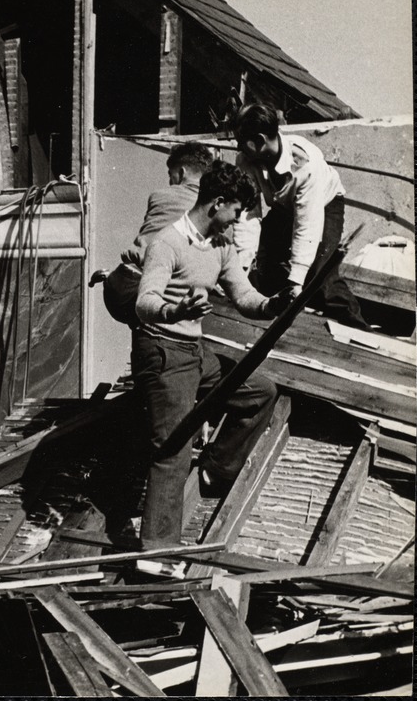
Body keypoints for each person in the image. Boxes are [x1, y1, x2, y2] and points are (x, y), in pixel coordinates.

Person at [133, 161, 294, 549]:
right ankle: (156, 554)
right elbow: (145, 302)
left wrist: (274, 304)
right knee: (171, 449)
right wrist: (175, 311)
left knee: (259, 392)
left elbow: (243, 296)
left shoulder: (221, 246)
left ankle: (214, 471)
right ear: (217, 203)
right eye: (236, 212)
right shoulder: (167, 243)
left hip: (195, 352)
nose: (237, 222)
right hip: (162, 350)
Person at [233, 103, 367, 328]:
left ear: (259, 140)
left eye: (240, 141)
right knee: (263, 264)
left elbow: (307, 225)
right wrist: (243, 266)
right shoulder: (245, 160)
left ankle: (359, 327)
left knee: (321, 276)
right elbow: (248, 214)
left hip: (324, 204)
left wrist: (296, 280)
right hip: (284, 207)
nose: (237, 147)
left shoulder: (306, 164)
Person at [92, 141, 215, 326]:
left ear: (181, 173)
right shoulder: (213, 209)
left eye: (170, 175)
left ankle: (108, 277)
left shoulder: (159, 196)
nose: (170, 182)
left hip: (122, 284)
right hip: (147, 288)